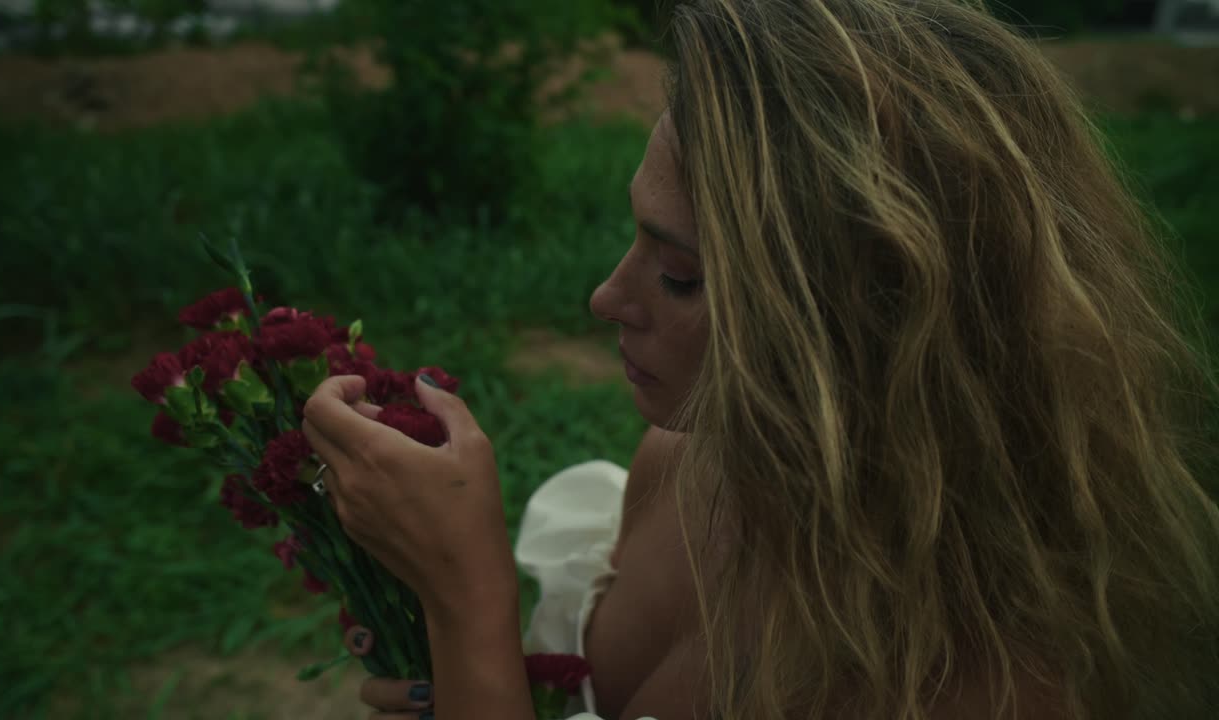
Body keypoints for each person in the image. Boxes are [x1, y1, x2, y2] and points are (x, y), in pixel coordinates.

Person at [299, 1, 1219, 718]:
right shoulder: (684, 470)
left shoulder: (976, 680)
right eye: (639, 241)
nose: (606, 300)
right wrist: (470, 680)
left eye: (681, 276)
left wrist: (468, 604)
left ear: (868, 321)